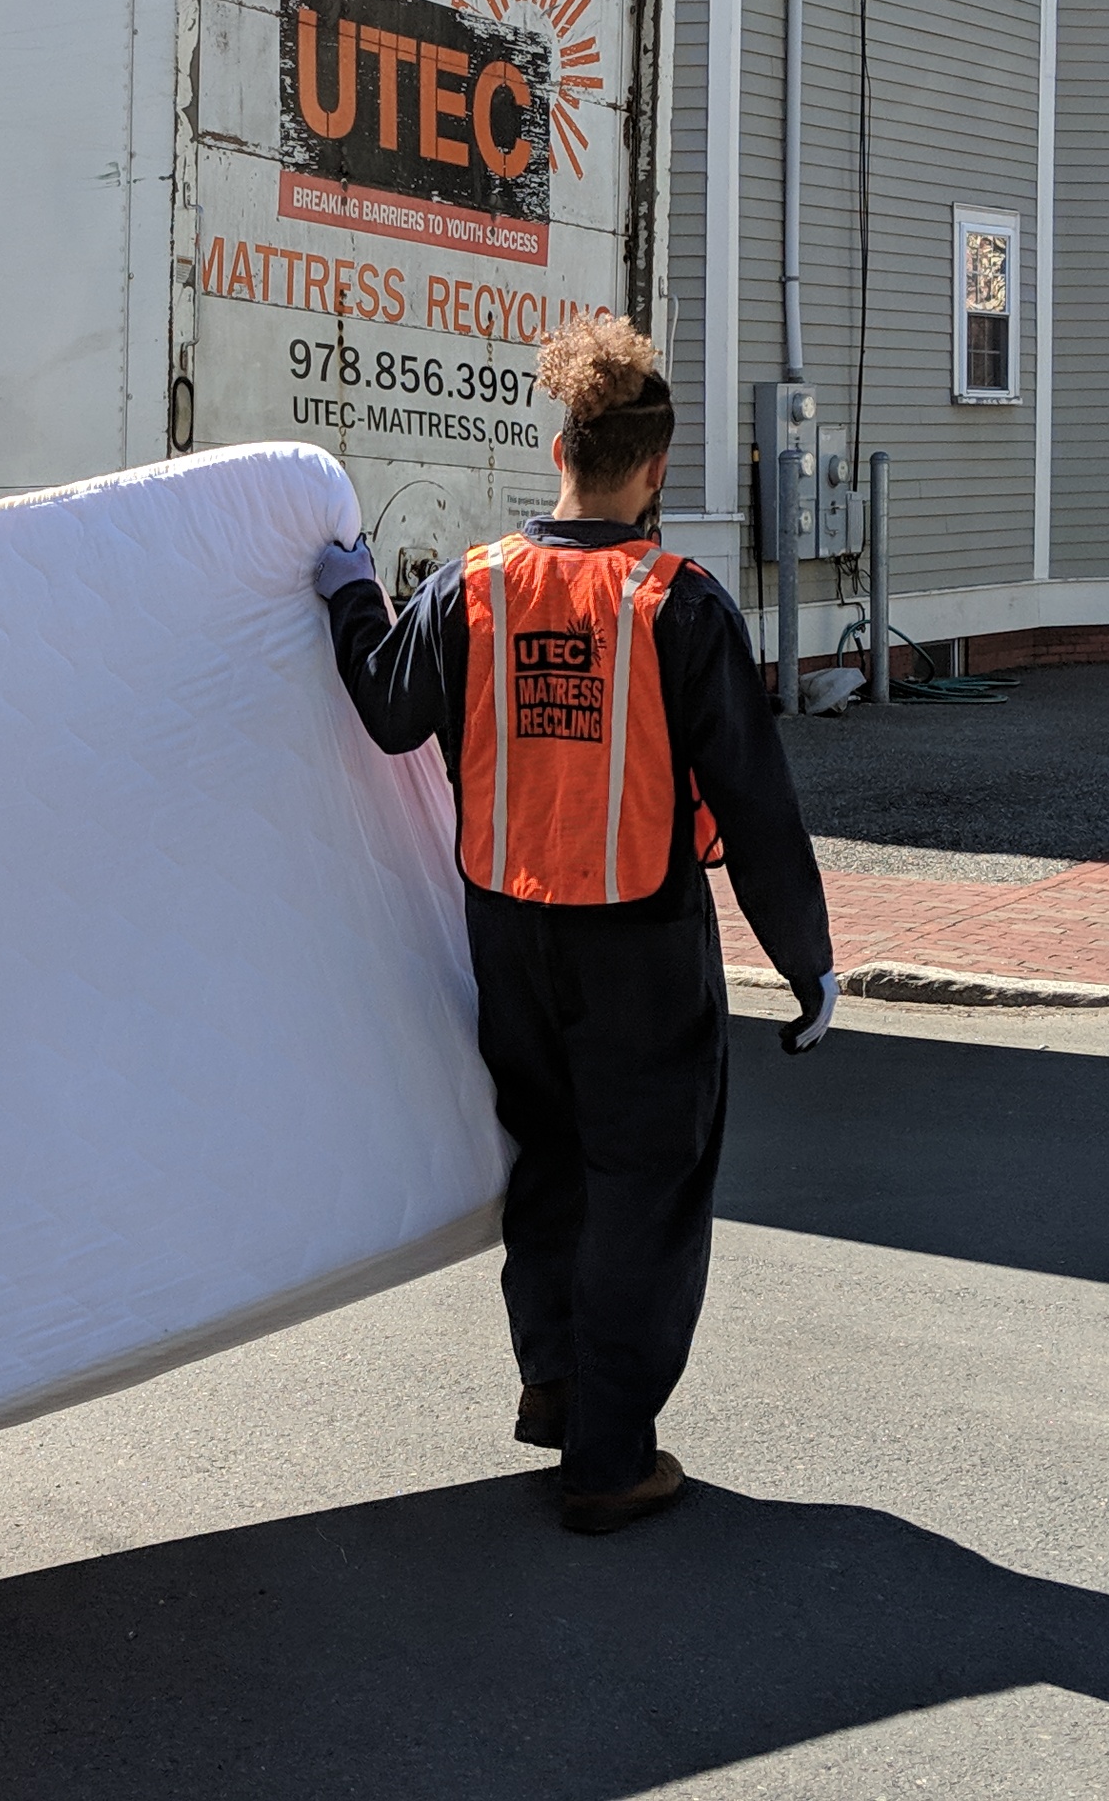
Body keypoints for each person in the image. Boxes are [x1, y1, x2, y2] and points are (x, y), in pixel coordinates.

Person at [317, 320, 839, 1535]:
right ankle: (611, 1459)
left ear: (559, 449)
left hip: (508, 940)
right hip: (642, 949)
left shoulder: (476, 584)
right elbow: (757, 807)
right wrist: (805, 962)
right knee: (644, 1188)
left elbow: (389, 712)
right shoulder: (680, 606)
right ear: (655, 471)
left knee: (551, 1169)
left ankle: (554, 1388)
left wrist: (348, 588)